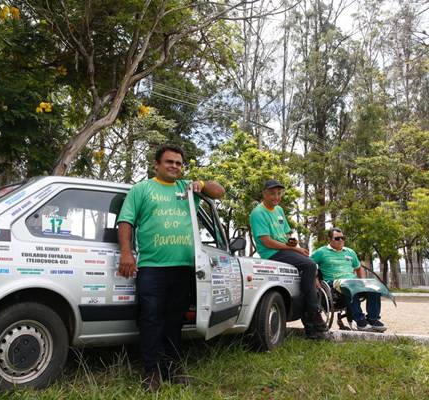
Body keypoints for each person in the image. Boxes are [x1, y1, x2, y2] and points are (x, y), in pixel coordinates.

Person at [117, 143, 225, 391]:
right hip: (152, 267)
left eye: (178, 163)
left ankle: (172, 366)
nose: (174, 166)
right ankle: (151, 370)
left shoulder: (187, 188)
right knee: (151, 319)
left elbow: (219, 192)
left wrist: (202, 184)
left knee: (174, 321)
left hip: (184, 268)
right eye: (169, 162)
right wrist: (126, 252)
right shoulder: (141, 189)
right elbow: (126, 221)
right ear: (157, 164)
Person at [249, 180, 327, 339]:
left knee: (313, 271)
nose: (276, 197)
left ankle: (313, 329)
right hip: (271, 252)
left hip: (285, 249)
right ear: (264, 193)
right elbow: (266, 241)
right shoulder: (258, 213)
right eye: (272, 193)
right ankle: (314, 311)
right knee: (310, 265)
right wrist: (294, 249)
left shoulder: (279, 210)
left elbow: (287, 234)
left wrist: (295, 245)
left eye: (279, 193)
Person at [311, 228, 387, 332]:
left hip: (353, 281)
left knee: (374, 288)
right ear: (329, 239)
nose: (341, 240)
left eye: (343, 238)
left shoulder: (350, 252)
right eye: (337, 238)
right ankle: (360, 321)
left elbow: (358, 267)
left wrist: (363, 281)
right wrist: (315, 278)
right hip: (333, 282)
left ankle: (373, 319)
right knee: (349, 286)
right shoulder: (321, 252)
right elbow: (309, 264)